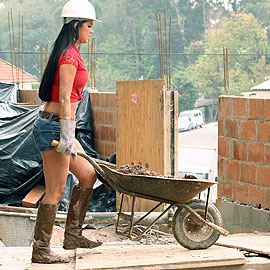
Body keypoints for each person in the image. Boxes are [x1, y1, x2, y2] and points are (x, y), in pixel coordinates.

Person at [31, 0, 102, 264]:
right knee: (56, 190)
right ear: (76, 25)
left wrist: (69, 135)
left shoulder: (71, 51)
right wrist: (67, 137)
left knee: (88, 174)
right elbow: (63, 99)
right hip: (54, 125)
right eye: (89, 26)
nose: (91, 31)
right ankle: (40, 250)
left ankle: (72, 235)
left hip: (60, 124)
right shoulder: (69, 57)